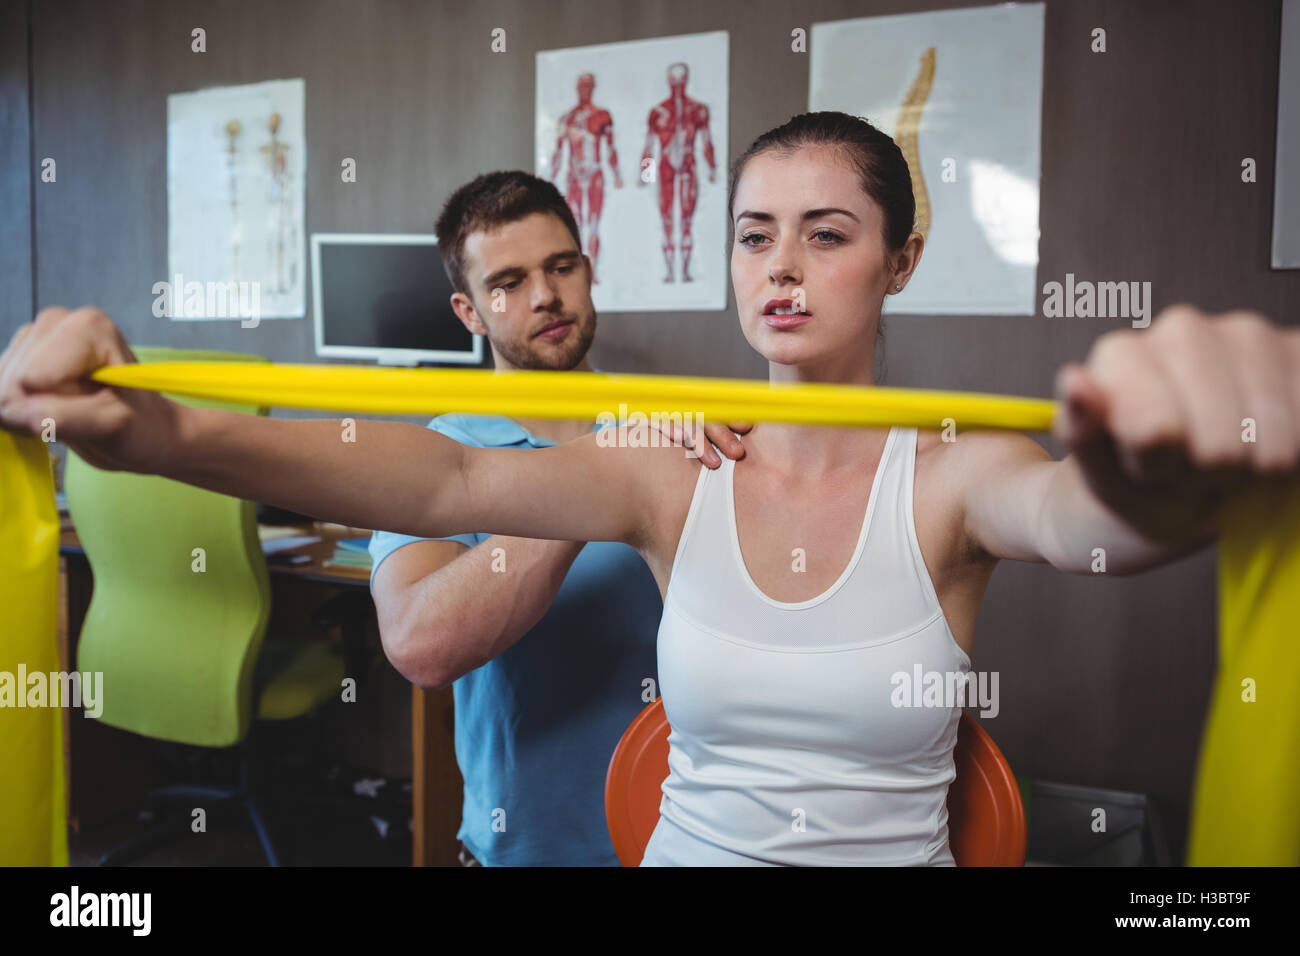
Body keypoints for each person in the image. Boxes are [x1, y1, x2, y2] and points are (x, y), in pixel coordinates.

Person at [4, 111, 1298, 865]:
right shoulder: (672, 466)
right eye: (753, 233)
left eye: (828, 234)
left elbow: (1090, 527)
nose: (781, 265)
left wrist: (1171, 474)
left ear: (898, 261)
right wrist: (161, 432)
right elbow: (448, 474)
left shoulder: (963, 474)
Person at [366, 170, 743, 866]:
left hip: (695, 839)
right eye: (508, 281)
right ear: (470, 312)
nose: (545, 295)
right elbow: (421, 646)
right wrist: (594, 478)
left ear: (586, 271)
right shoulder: (440, 454)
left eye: (560, 266)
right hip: (531, 849)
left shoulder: (671, 422)